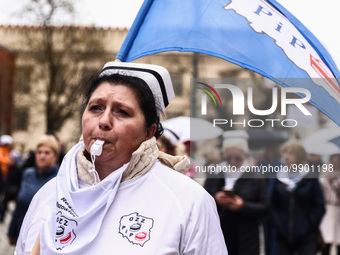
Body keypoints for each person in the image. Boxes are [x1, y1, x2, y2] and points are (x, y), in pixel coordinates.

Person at [15, 62, 228, 254]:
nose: (104, 121)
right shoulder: (50, 195)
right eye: (96, 108)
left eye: (122, 112)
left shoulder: (189, 201)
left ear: (149, 132)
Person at [204, 130, 269, 255]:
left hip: (247, 238)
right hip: (220, 234)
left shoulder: (255, 176)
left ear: (245, 156)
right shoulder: (216, 173)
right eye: (229, 158)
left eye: (237, 158)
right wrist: (216, 198)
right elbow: (203, 199)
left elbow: (265, 207)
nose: (232, 162)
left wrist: (243, 206)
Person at [270, 140, 325, 255]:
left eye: (290, 153)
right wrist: (278, 223)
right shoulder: (279, 177)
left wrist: (310, 224)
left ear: (299, 156)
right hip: (283, 234)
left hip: (306, 235)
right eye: (285, 152)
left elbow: (319, 205)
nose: (286, 156)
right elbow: (271, 202)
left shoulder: (309, 177)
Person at [8, 134, 60, 245]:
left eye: (47, 153)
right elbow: (19, 205)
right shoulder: (28, 174)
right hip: (21, 235)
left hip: (42, 241)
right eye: (39, 152)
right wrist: (12, 231)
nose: (42, 156)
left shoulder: (59, 180)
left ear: (55, 156)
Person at [319, 153, 340, 255]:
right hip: (327, 208)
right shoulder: (325, 171)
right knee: (326, 238)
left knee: (338, 237)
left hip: (338, 209)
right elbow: (320, 185)